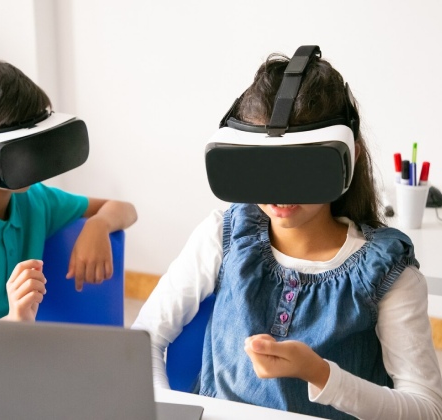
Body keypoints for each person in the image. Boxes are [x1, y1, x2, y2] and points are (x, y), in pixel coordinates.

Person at [132, 52, 442, 419]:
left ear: (347, 158)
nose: (279, 193)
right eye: (264, 169)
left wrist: (320, 374)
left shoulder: (387, 272)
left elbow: (426, 408)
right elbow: (143, 339)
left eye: (299, 169)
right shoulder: (221, 234)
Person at [0, 59, 137, 322]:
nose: (29, 159)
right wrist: (13, 321)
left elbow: (125, 209)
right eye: (15, 147)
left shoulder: (35, 201)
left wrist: (98, 225)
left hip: (23, 349)